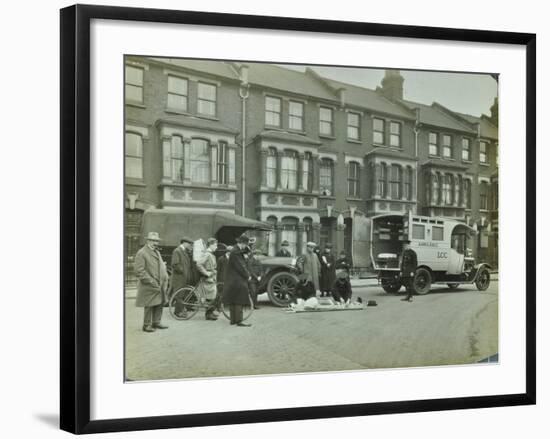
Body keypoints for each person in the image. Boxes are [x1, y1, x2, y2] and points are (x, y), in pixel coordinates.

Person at [134, 232, 170, 332]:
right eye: (153, 240)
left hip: (160, 283)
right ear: (148, 241)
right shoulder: (142, 253)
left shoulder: (156, 252)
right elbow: (139, 271)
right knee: (149, 304)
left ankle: (156, 322)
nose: (156, 243)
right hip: (149, 284)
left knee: (159, 302)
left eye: (157, 241)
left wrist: (165, 276)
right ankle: (146, 325)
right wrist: (151, 281)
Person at [222, 235, 253, 327]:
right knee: (239, 299)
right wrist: (248, 276)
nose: (245, 246)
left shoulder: (235, 250)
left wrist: (247, 248)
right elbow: (241, 266)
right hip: (237, 280)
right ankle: (239, 321)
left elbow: (246, 251)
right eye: (245, 244)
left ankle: (233, 320)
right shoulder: (236, 252)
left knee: (233, 300)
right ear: (242, 243)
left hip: (232, 280)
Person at [170, 236, 196, 319]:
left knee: (181, 294)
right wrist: (182, 272)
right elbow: (175, 264)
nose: (189, 246)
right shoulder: (177, 251)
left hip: (183, 277)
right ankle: (178, 313)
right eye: (189, 244)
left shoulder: (184, 251)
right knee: (179, 295)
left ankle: (179, 311)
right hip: (179, 277)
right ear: (184, 243)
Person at [196, 238, 219, 320]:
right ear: (211, 245)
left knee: (212, 296)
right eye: (215, 245)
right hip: (207, 278)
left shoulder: (210, 254)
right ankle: (208, 314)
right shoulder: (207, 254)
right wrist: (206, 273)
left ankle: (210, 313)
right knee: (211, 296)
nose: (216, 247)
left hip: (211, 277)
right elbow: (199, 264)